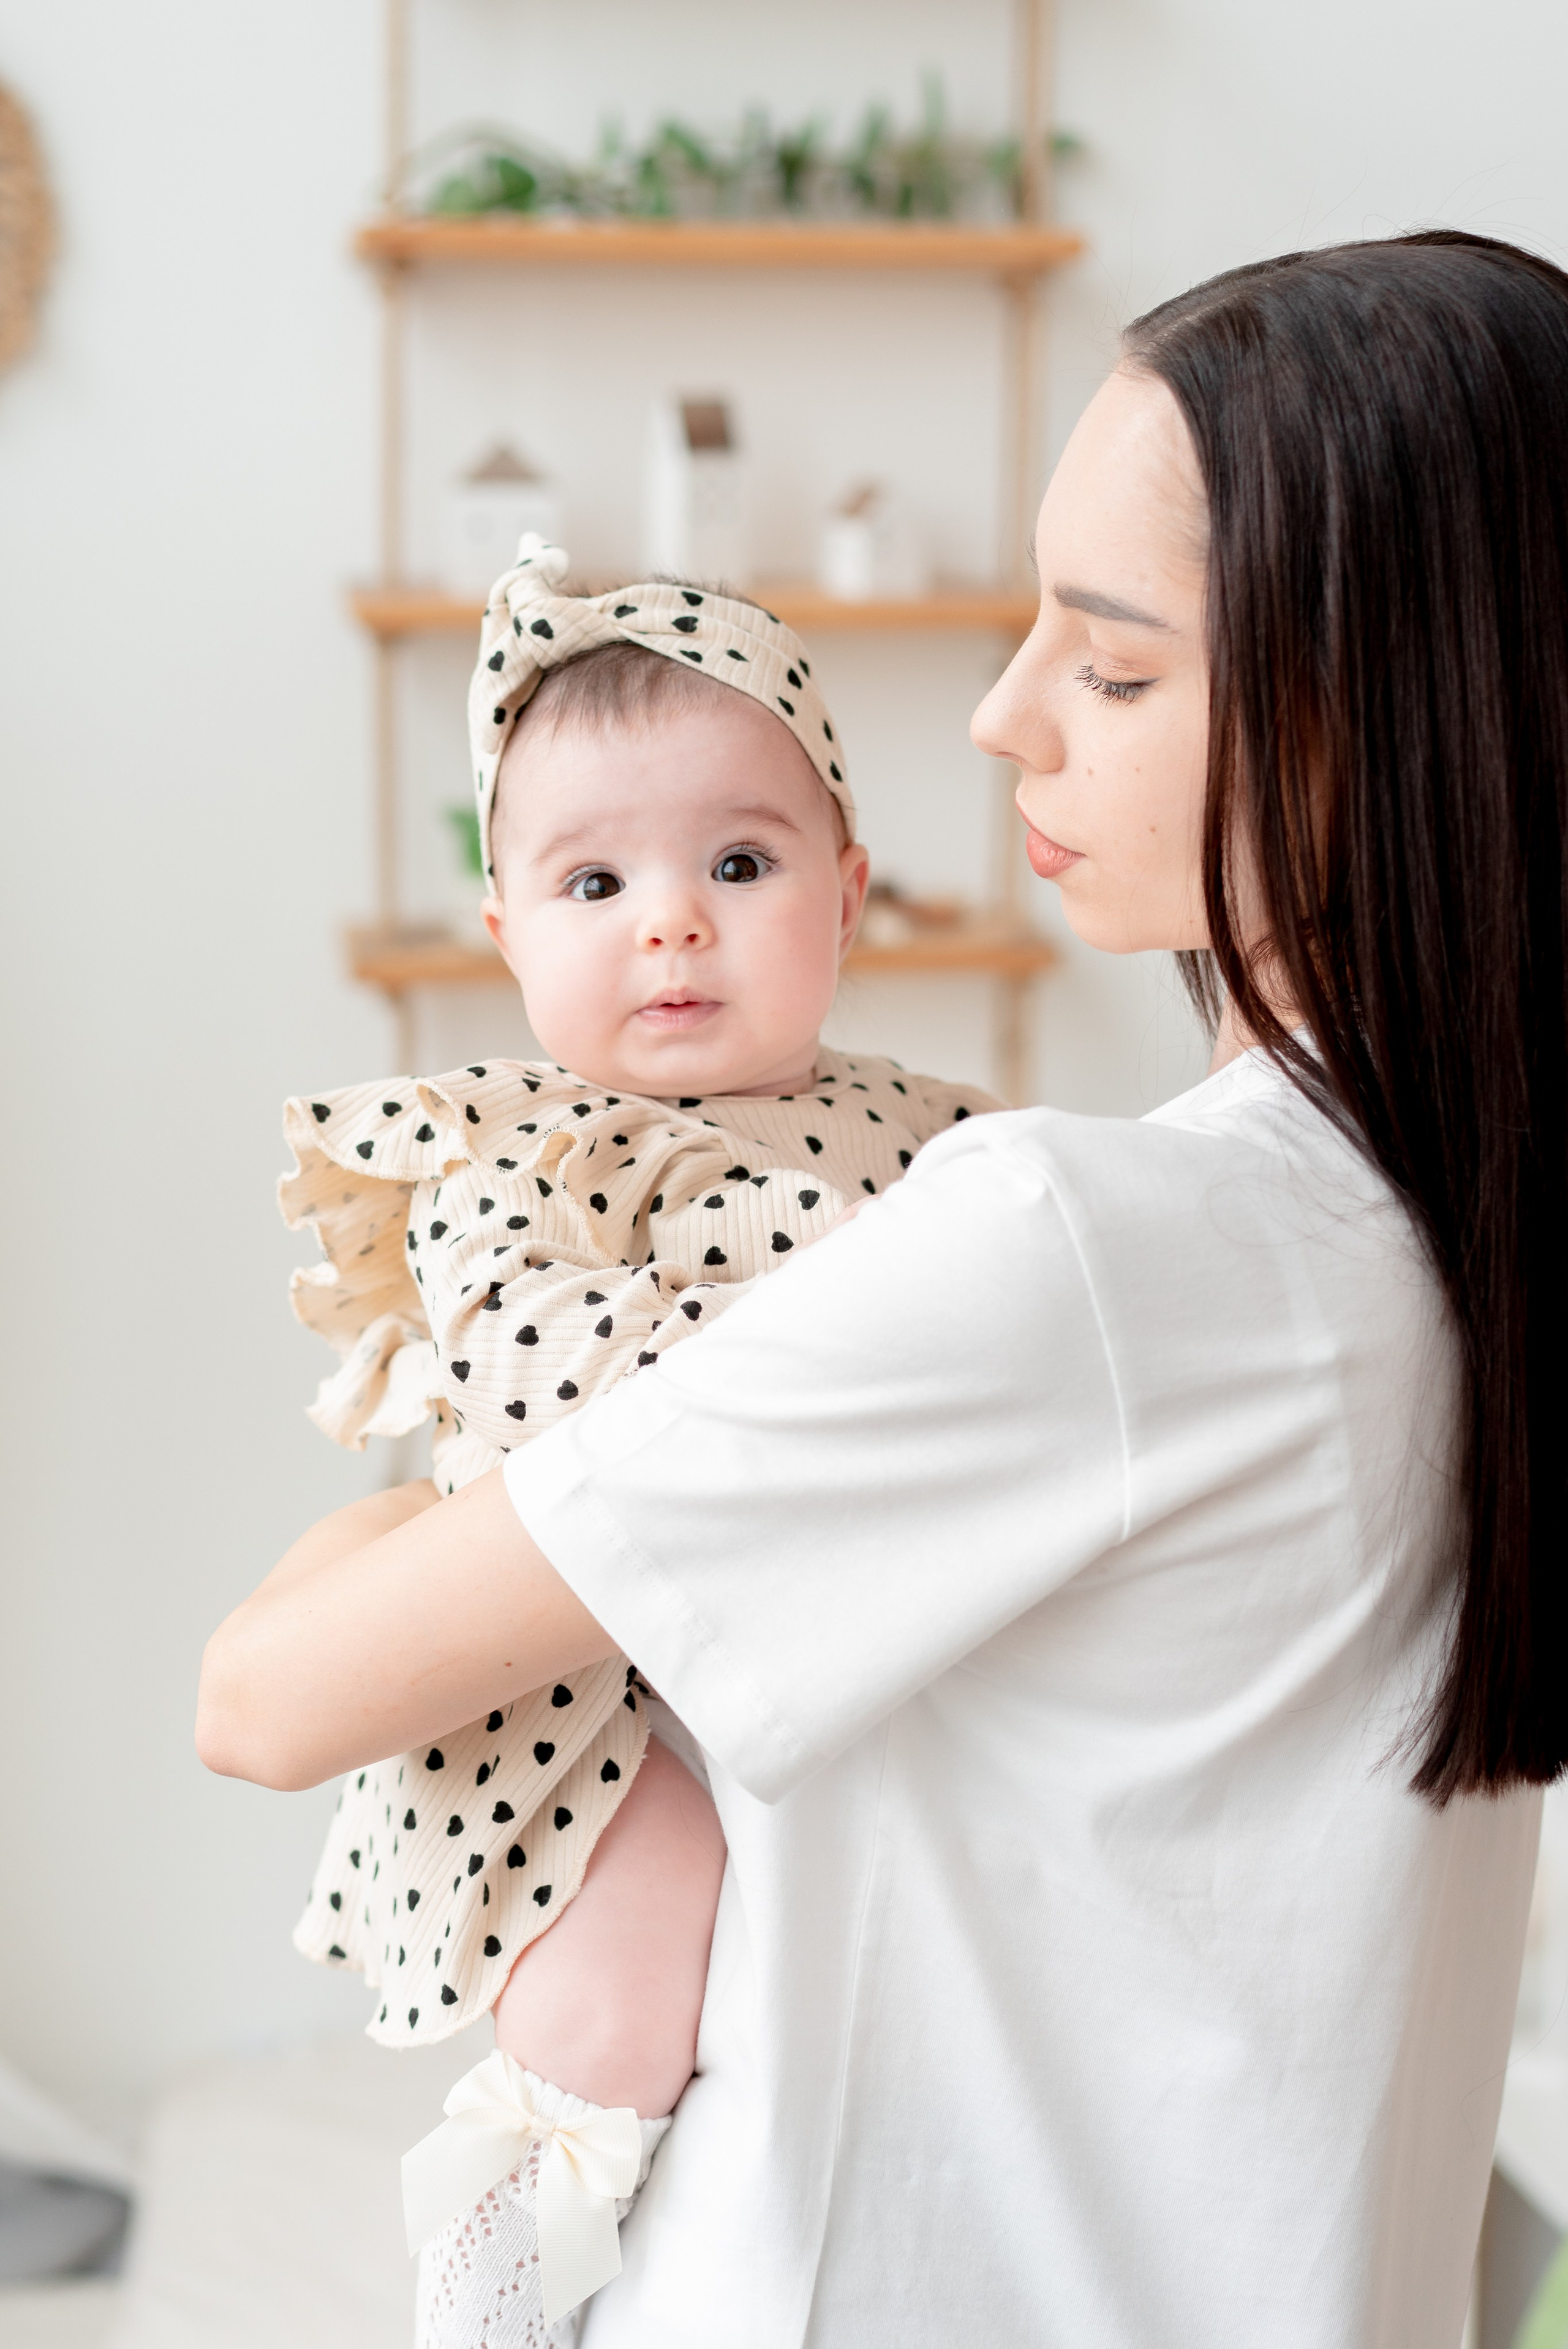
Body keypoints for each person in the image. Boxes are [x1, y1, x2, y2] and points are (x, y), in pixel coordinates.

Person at [198, 232, 1568, 2348]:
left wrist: (389, 1513)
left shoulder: (1075, 1250)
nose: (1005, 712)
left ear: (1376, 714)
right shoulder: (1454, 1249)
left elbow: (269, 1698)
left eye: (1113, 668)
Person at [274, 535, 997, 2345]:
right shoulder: (506, 1162)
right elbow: (556, 1396)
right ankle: (499, 2280)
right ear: (509, 931)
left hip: (811, 1633)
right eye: (595, 880)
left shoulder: (932, 1134)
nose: (670, 920)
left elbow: (1006, 1305)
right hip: (567, 1672)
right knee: (627, 1966)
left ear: (846, 894)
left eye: (737, 865)